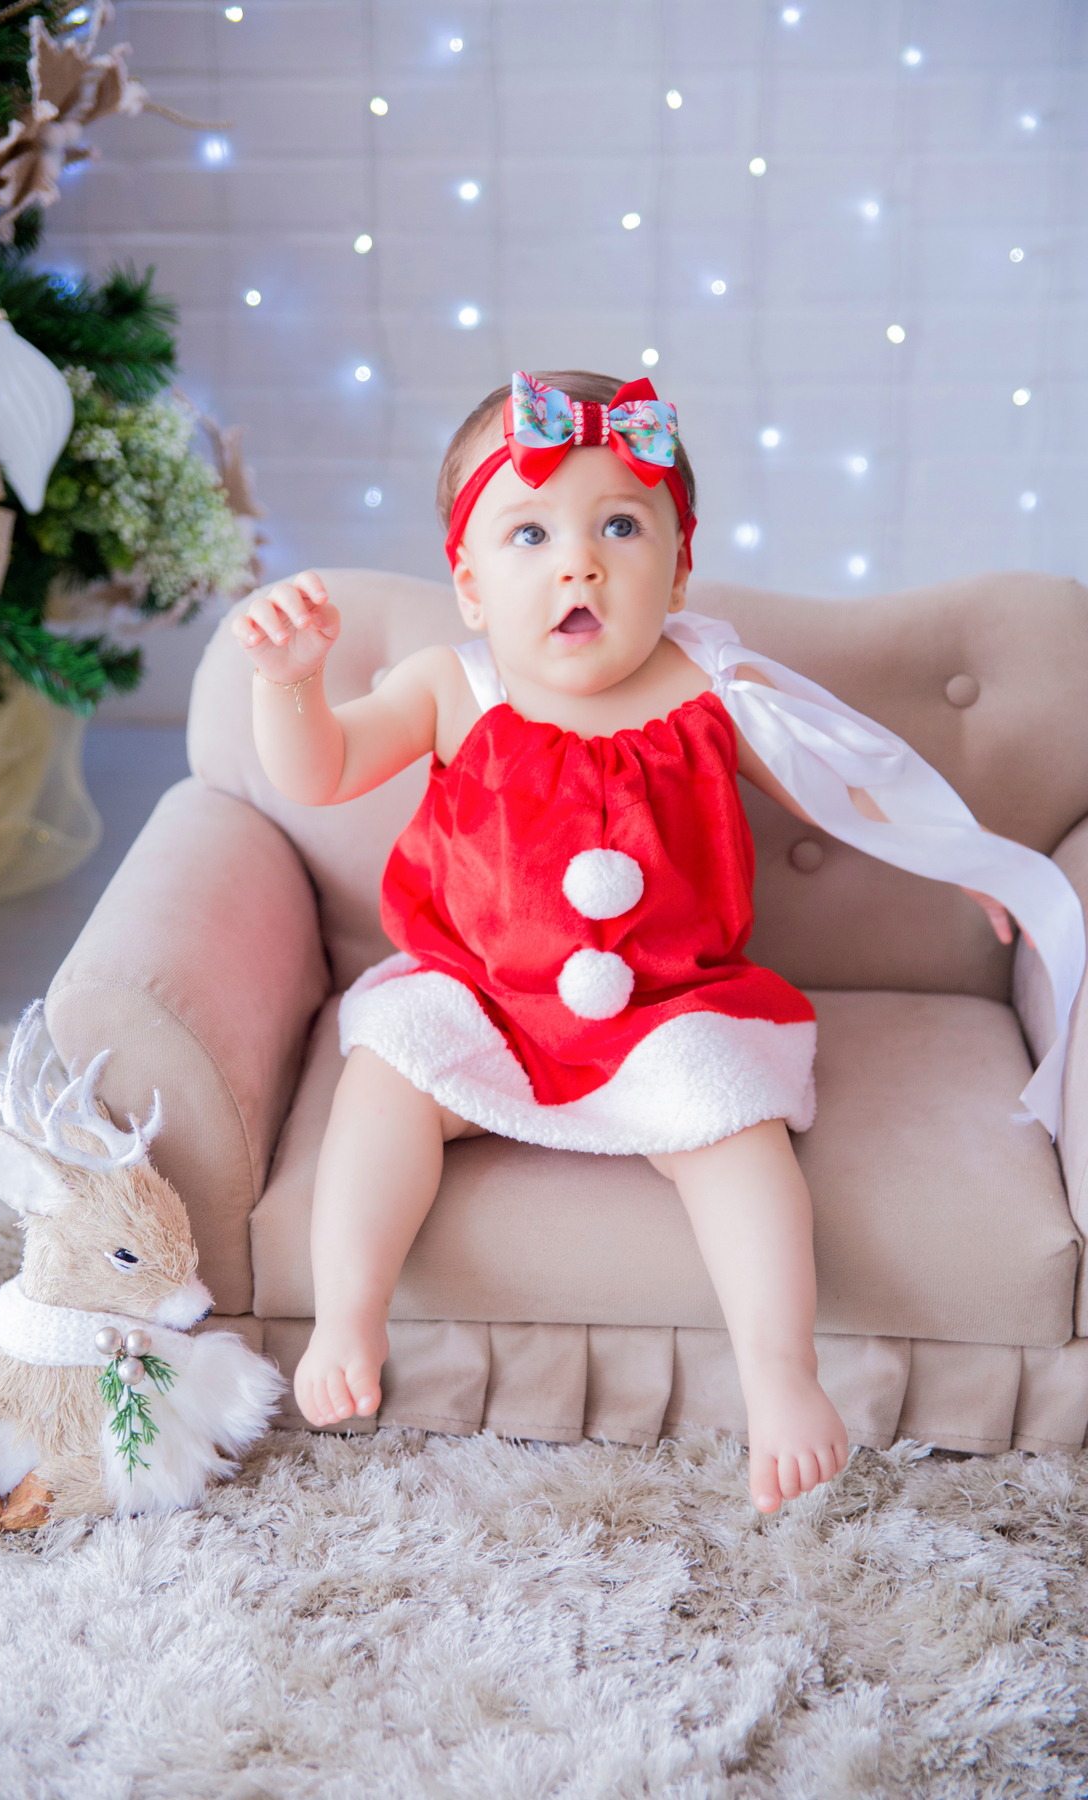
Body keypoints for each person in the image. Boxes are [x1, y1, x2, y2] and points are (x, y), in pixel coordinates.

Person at [232, 369, 1083, 1515]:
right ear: (470, 584)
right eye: (530, 533)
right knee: (387, 1078)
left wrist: (967, 857)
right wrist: (291, 686)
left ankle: (782, 1378)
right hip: (480, 993)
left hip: (670, 1008)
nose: (578, 564)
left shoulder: (714, 686)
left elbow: (840, 787)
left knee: (738, 1132)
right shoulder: (452, 686)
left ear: (680, 571)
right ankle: (350, 1313)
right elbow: (322, 769)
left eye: (621, 527)